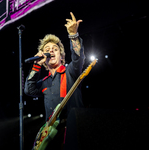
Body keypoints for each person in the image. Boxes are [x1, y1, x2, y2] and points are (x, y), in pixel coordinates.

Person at [24, 12, 85, 149]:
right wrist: (36, 65)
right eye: (47, 49)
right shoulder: (45, 82)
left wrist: (73, 35)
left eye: (55, 49)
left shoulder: (70, 72)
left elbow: (78, 59)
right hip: (51, 136)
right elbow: (29, 90)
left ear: (62, 56)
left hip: (72, 131)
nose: (51, 51)